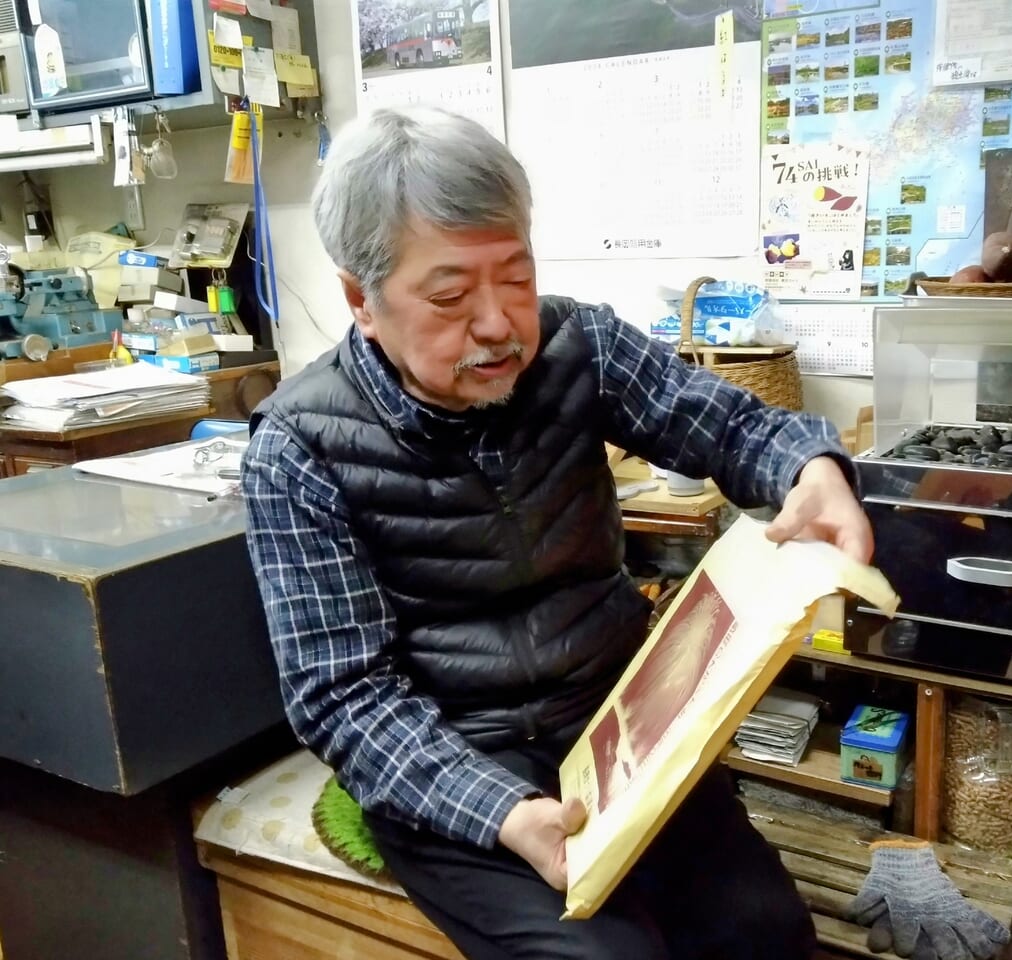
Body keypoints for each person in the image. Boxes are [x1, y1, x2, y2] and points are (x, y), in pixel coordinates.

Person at [241, 106, 873, 960]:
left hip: (618, 728)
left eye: (517, 277)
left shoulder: (583, 346)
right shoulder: (299, 447)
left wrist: (813, 470)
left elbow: (731, 427)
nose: (500, 323)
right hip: (457, 761)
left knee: (761, 934)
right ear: (361, 297)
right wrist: (503, 815)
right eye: (451, 296)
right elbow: (342, 697)